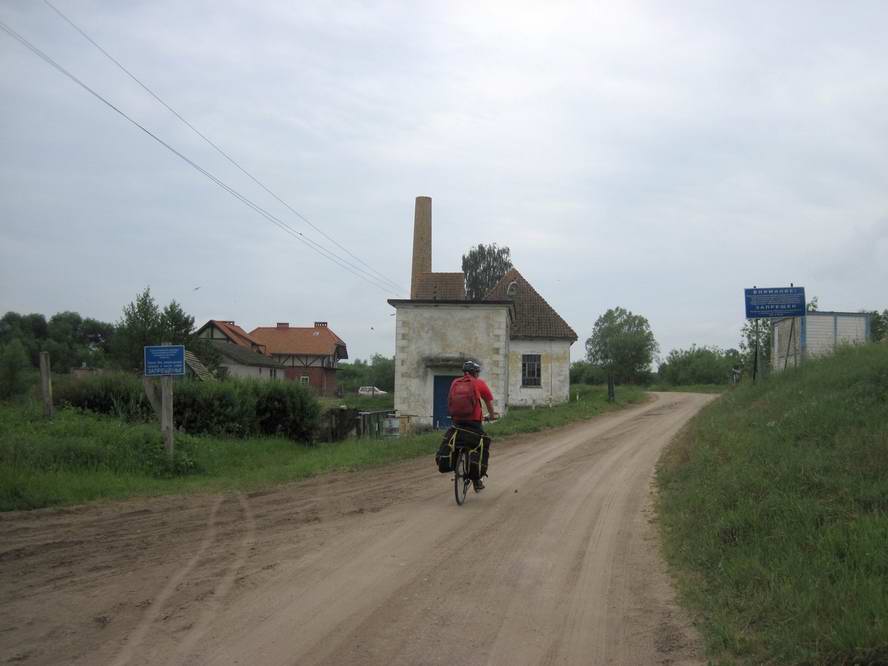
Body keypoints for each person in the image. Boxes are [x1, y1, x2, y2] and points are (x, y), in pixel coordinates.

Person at [448, 360, 498, 491]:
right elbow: (488, 402)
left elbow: (450, 401)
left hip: (457, 421)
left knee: (455, 442)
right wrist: (492, 416)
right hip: (473, 422)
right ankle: (476, 480)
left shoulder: (455, 382)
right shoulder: (479, 383)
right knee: (480, 445)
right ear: (475, 373)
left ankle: (455, 463)